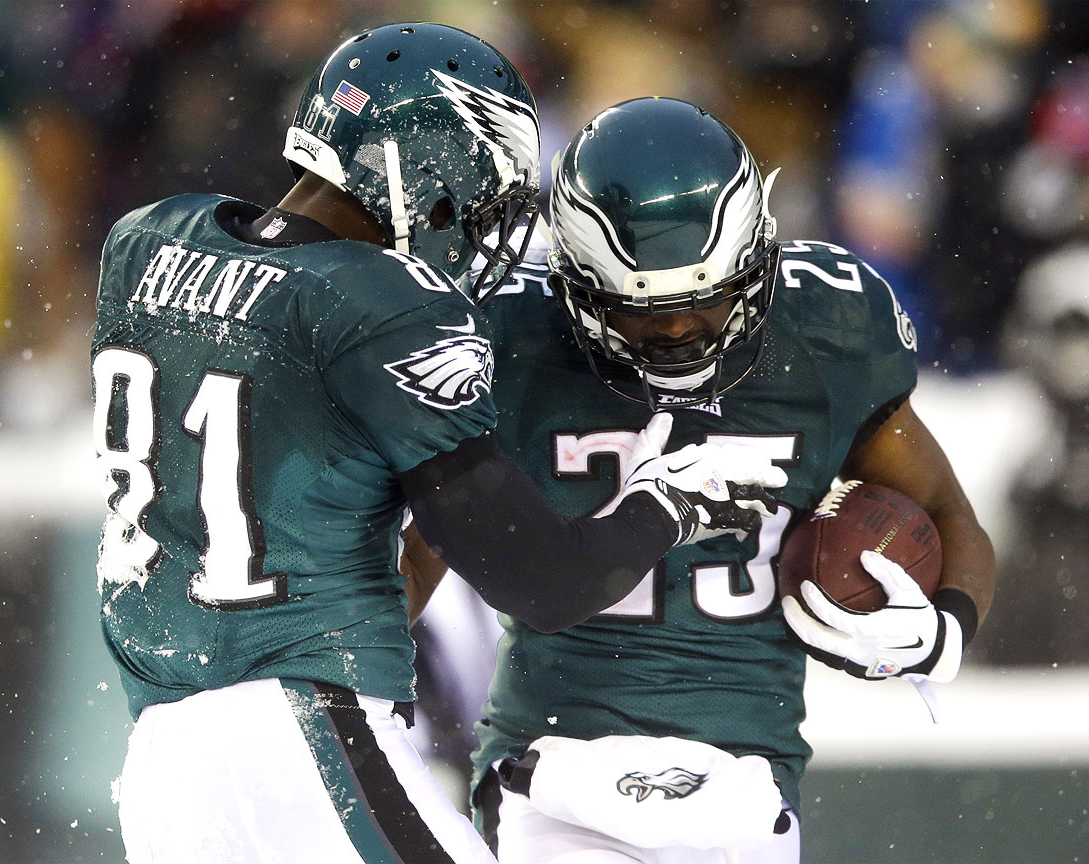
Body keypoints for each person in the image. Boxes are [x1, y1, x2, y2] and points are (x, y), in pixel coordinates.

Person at [89, 26, 782, 864]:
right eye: (484, 202)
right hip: (300, 738)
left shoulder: (149, 239)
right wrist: (664, 505)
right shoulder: (384, 305)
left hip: (163, 763)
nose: (484, 231)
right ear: (423, 176)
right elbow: (545, 582)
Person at [427, 97, 994, 863]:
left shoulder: (828, 330)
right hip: (553, 768)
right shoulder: (508, 341)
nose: (676, 330)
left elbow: (943, 512)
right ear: (575, 285)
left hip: (745, 778)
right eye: (642, 310)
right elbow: (413, 553)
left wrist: (941, 629)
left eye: (705, 300)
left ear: (759, 262)